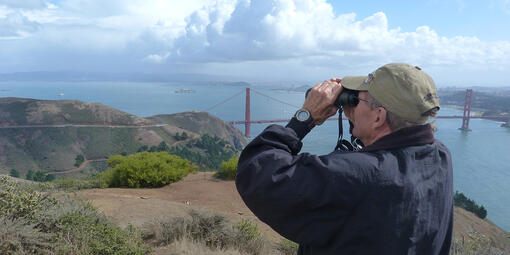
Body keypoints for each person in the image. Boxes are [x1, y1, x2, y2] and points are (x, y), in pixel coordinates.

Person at [235, 63, 453, 255]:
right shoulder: (439, 156)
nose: (352, 104)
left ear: (378, 116)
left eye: (358, 100)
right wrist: (358, 117)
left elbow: (257, 173)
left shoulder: (358, 176)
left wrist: (305, 117)